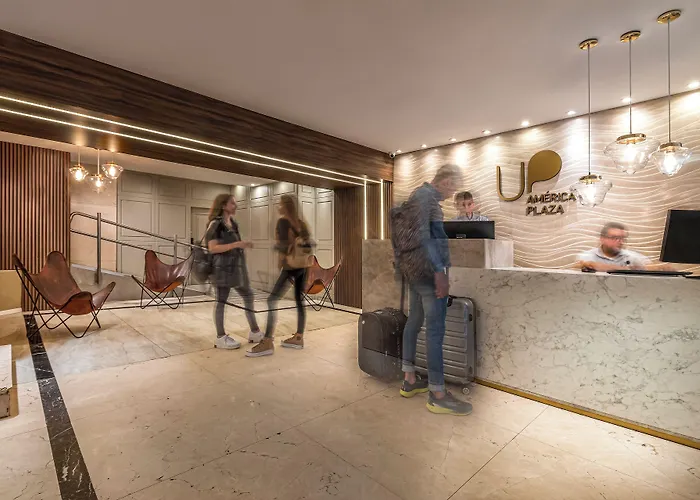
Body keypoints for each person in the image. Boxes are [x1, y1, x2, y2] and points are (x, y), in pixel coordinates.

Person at [399, 164, 473, 416]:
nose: (451, 195)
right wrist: (440, 271)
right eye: (452, 189)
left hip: (415, 272)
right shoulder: (427, 199)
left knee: (414, 321)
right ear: (446, 181)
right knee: (434, 330)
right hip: (429, 273)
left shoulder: (417, 196)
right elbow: (426, 239)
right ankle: (438, 394)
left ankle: (409, 379)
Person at [247, 193, 310, 357]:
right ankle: (299, 338)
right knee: (299, 301)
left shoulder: (283, 222)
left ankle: (267, 341)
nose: (278, 206)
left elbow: (282, 248)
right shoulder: (302, 224)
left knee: (271, 300)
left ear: (286, 206)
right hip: (303, 267)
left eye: (280, 204)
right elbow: (309, 246)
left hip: (290, 267)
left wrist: (280, 261)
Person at [206, 194, 262, 349]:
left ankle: (255, 332)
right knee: (221, 301)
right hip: (222, 269)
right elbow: (212, 248)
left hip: (236, 268)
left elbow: (235, 244)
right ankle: (220, 337)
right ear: (223, 205)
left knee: (248, 295)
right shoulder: (215, 224)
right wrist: (236, 244)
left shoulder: (233, 223)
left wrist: (242, 245)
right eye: (232, 203)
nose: (235, 206)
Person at [576, 222, 651, 272]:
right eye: (615, 238)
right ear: (602, 238)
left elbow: (653, 268)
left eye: (622, 238)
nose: (620, 242)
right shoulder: (587, 257)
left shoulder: (632, 257)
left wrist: (599, 266)